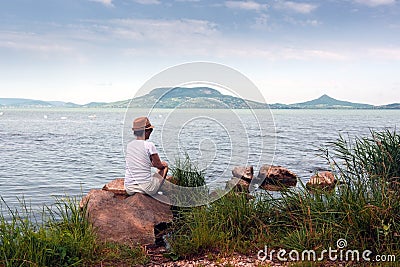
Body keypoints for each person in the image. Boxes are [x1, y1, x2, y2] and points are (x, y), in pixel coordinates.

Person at [124, 116, 168, 195]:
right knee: (165, 167)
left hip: (129, 188)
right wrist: (163, 165)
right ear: (146, 131)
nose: (151, 133)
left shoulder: (129, 145)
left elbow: (138, 162)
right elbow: (158, 165)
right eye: (150, 130)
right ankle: (155, 194)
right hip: (146, 188)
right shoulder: (149, 145)